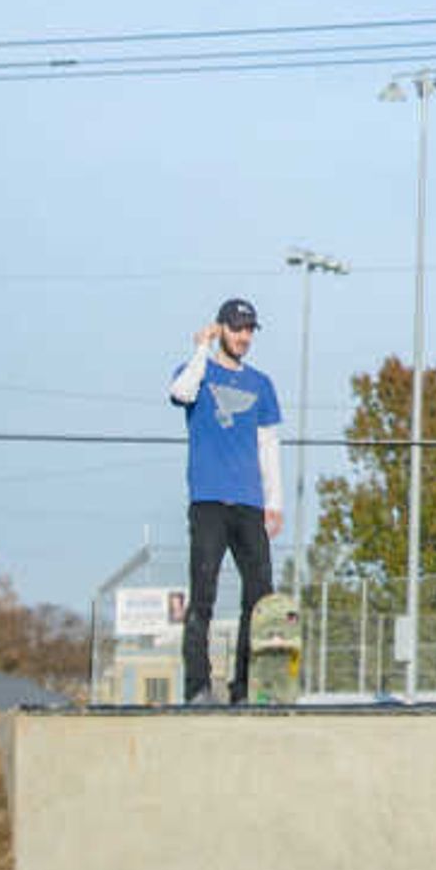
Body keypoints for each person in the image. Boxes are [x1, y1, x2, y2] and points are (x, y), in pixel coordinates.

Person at [167, 297, 283, 707]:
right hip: (209, 500)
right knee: (204, 592)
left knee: (260, 595)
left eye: (250, 330)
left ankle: (245, 686)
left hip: (249, 502)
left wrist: (275, 501)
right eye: (237, 329)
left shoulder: (261, 385)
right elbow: (181, 393)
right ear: (221, 329)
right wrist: (201, 347)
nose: (244, 337)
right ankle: (198, 685)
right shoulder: (196, 371)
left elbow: (269, 444)